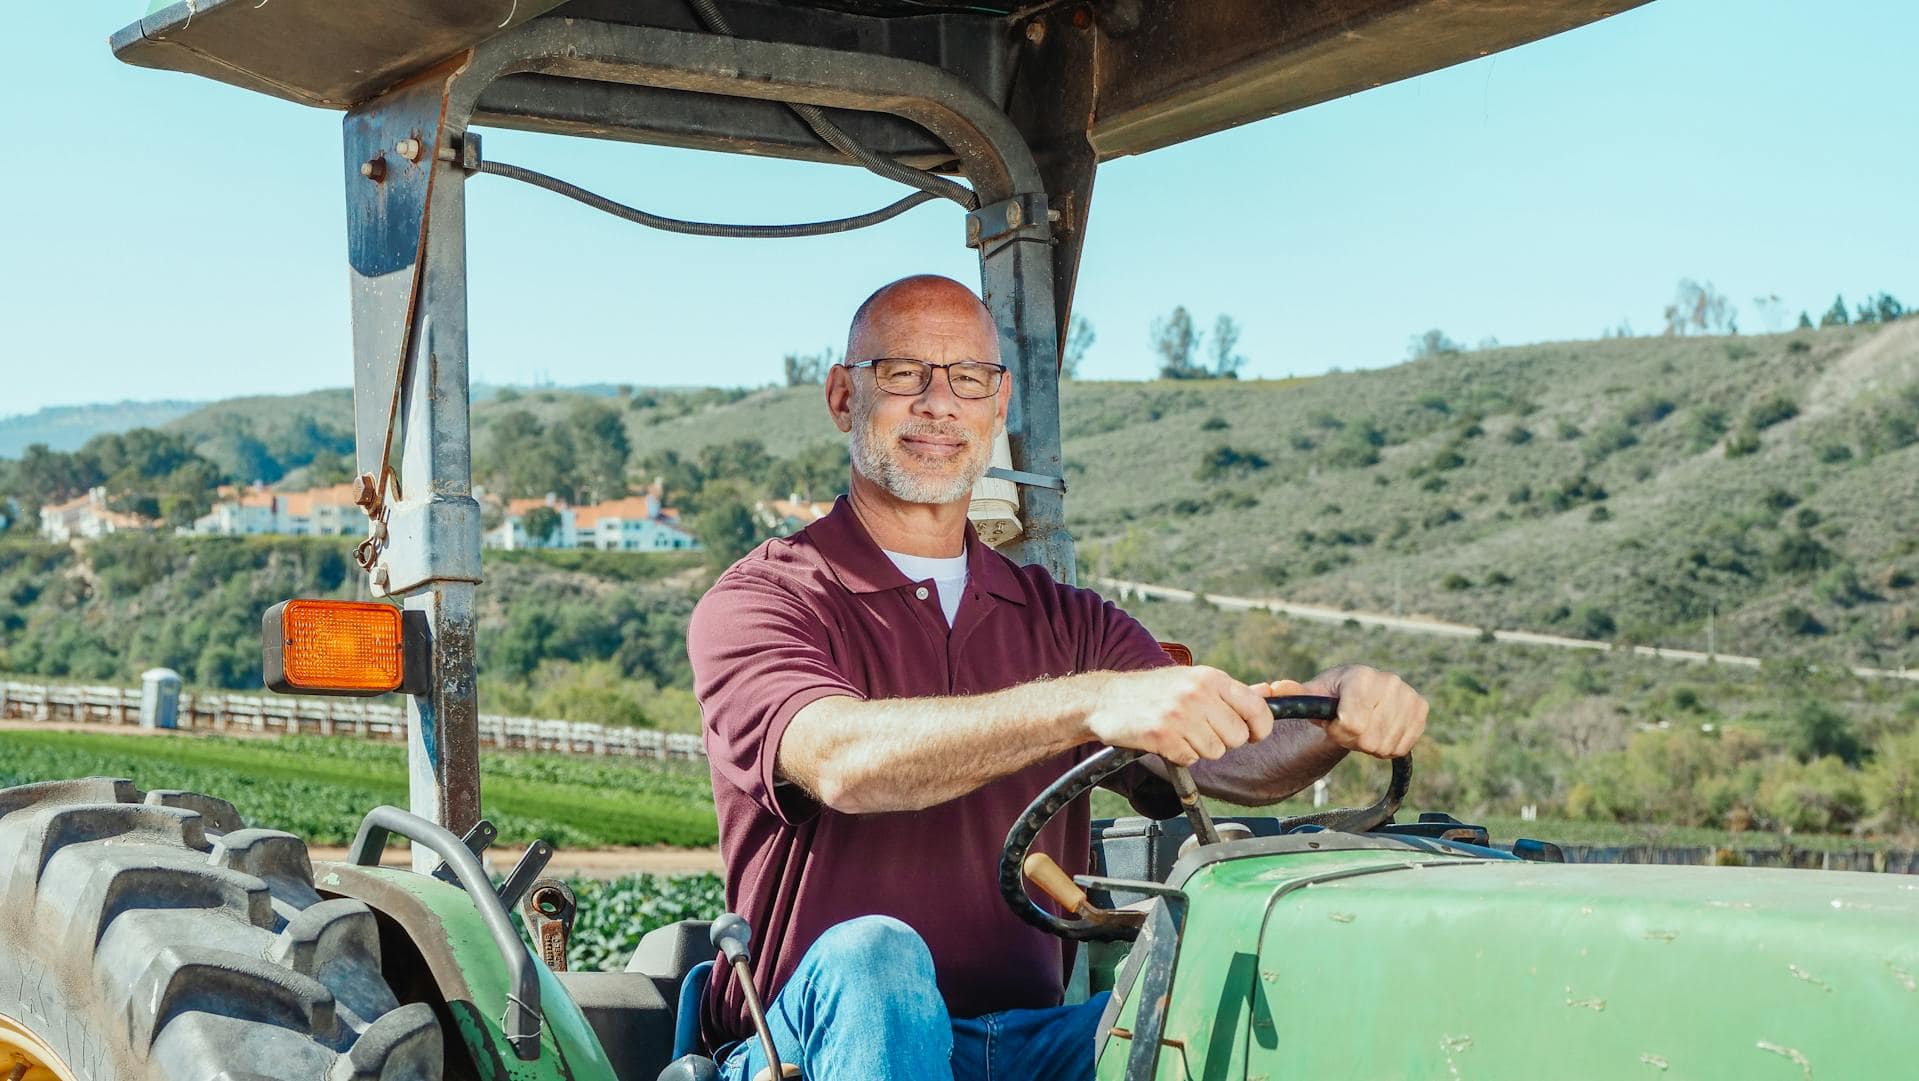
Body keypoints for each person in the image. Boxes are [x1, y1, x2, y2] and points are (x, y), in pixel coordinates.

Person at [686, 275, 1428, 1080]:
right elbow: (842, 760)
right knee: (877, 958)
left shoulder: (1067, 621)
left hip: (1023, 1041)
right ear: (843, 396)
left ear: (997, 406)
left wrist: (1334, 713)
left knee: (1216, 1011)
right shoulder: (765, 598)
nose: (938, 403)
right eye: (903, 373)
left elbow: (1222, 758)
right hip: (807, 1042)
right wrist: (1094, 700)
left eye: (967, 378)